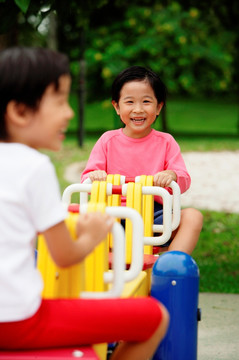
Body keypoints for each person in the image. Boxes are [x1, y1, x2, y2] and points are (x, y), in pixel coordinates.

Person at [0, 48, 169, 360]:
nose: (70, 113)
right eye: (61, 102)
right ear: (20, 111)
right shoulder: (33, 166)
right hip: (18, 322)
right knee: (156, 317)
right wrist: (91, 235)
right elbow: (64, 256)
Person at [81, 66, 203, 255]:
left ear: (158, 107)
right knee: (75, 220)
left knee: (193, 217)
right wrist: (95, 176)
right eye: (129, 102)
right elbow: (87, 179)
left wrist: (172, 175)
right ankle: (101, 263)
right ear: (117, 106)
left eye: (146, 102)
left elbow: (183, 179)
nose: (138, 109)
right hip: (112, 211)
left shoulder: (166, 142)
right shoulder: (107, 140)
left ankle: (167, 267)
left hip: (154, 213)